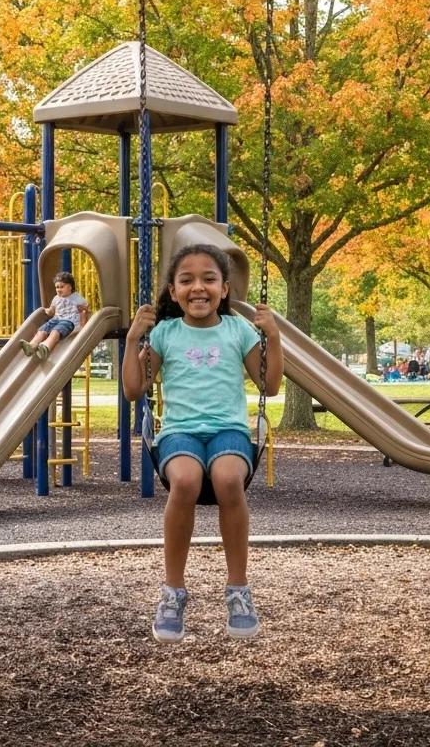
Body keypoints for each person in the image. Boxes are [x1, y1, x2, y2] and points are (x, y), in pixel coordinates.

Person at [122, 244, 284, 644]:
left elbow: (270, 386)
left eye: (209, 279)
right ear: (174, 292)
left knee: (228, 480)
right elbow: (134, 390)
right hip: (180, 432)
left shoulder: (238, 330)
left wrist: (273, 336)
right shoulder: (165, 333)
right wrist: (133, 340)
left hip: (230, 430)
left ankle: (238, 590)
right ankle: (173, 592)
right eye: (187, 280)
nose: (198, 287)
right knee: (185, 481)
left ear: (224, 288)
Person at [20, 271, 89, 361]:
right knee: (43, 329)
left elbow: (85, 309)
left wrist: (83, 324)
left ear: (70, 287)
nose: (59, 289)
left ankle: (46, 347)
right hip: (56, 319)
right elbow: (52, 310)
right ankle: (32, 346)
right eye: (57, 287)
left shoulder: (76, 297)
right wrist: (48, 311)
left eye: (62, 287)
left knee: (55, 331)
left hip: (69, 322)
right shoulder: (56, 298)